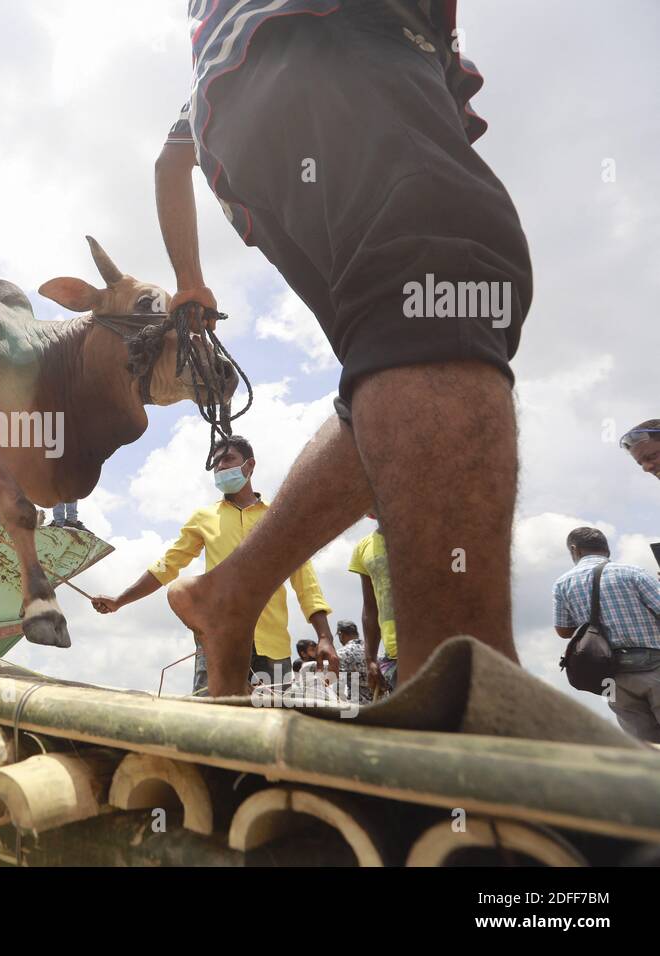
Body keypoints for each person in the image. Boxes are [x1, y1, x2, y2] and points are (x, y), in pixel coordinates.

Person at [154, 1, 531, 695]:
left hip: (248, 134)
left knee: (395, 347)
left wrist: (190, 281)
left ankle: (229, 592)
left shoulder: (225, 59)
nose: (228, 467)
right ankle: (462, 697)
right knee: (447, 279)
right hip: (348, 41)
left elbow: (170, 162)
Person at [91, 435, 334, 693]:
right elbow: (168, 566)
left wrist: (324, 636)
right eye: (216, 463)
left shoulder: (279, 518)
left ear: (250, 466)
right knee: (212, 722)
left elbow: (304, 579)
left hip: (271, 644)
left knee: (269, 725)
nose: (220, 467)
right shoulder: (203, 518)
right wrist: (120, 600)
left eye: (228, 459)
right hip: (217, 642)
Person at [554, 528, 660, 742]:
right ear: (606, 548)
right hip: (654, 667)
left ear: (574, 550)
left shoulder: (563, 583)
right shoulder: (633, 572)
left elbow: (563, 631)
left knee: (644, 747)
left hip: (612, 676)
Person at [350, 516, 399, 696]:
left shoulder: (429, 531)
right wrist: (370, 659)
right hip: (393, 658)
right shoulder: (364, 547)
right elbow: (370, 608)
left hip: (433, 651)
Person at [335, 619, 372, 703]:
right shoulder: (372, 651)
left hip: (357, 707)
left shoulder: (342, 653)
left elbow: (339, 685)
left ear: (341, 634)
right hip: (377, 705)